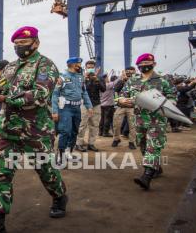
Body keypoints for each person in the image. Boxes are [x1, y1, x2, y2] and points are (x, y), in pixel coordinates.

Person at [0, 26, 67, 233]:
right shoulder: (10, 67)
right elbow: (2, 87)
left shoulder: (46, 66)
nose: (19, 48)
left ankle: (59, 197)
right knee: (1, 174)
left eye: (23, 44)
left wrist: (6, 98)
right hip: (7, 130)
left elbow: (40, 95)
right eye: (16, 45)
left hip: (36, 131)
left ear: (36, 43)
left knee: (46, 170)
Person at [119, 53, 176, 190]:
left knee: (153, 145)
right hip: (139, 119)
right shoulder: (133, 80)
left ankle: (147, 175)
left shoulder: (163, 80)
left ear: (154, 64)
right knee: (143, 145)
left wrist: (163, 105)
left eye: (147, 63)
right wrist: (121, 100)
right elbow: (122, 95)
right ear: (138, 66)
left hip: (156, 120)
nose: (144, 66)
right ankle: (156, 167)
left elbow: (172, 97)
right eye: (142, 64)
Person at [52, 57, 93, 162]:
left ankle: (68, 152)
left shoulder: (80, 77)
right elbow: (55, 95)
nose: (80, 66)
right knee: (65, 131)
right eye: (79, 64)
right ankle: (60, 155)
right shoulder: (62, 77)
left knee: (75, 132)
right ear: (73, 65)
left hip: (77, 108)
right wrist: (55, 111)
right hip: (65, 108)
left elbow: (84, 92)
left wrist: (89, 106)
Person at [75, 60, 105, 152]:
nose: (90, 68)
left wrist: (97, 80)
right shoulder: (81, 78)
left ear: (94, 68)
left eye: (92, 67)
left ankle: (91, 143)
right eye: (89, 67)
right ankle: (79, 143)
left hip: (96, 104)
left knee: (94, 125)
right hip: (84, 104)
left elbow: (103, 89)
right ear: (85, 68)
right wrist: (85, 79)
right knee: (82, 124)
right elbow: (78, 89)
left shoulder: (99, 78)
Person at [112, 67, 137, 149]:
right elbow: (115, 92)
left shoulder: (137, 82)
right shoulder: (121, 82)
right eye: (128, 72)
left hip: (132, 107)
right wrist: (117, 102)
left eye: (131, 73)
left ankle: (132, 142)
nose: (130, 74)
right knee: (116, 124)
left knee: (132, 125)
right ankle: (116, 139)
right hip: (120, 106)